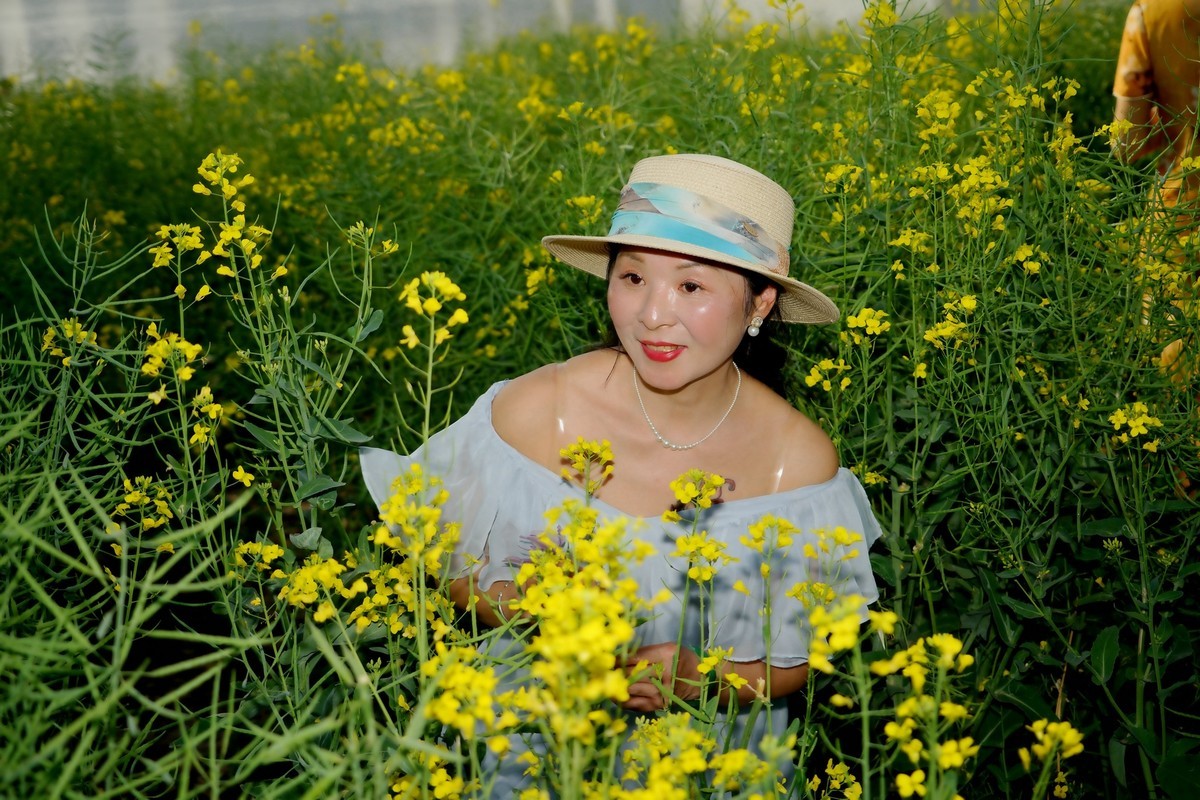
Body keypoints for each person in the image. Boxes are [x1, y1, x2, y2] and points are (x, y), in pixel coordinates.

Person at [360, 153, 882, 792]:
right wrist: (540, 616)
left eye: (691, 287)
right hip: (532, 740)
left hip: (709, 762)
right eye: (633, 277)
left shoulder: (795, 464)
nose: (653, 314)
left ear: (760, 303)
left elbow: (797, 662)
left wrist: (700, 679)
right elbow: (443, 563)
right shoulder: (537, 411)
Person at [1111, 0, 1200, 378]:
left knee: (1177, 363)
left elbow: (1126, 144)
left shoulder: (1149, 12)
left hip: (1181, 214)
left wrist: (1172, 124)